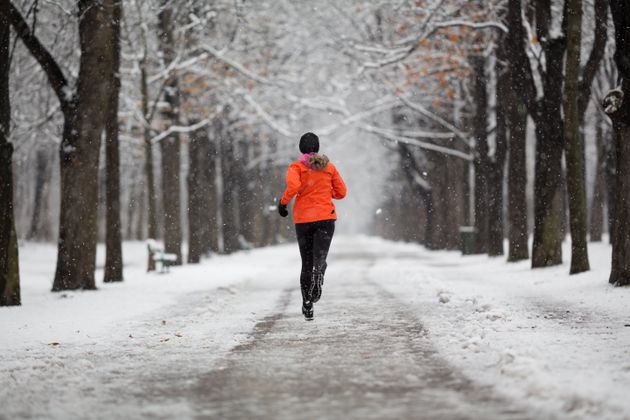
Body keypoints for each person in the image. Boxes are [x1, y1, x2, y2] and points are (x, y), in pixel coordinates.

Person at [278, 132, 347, 320]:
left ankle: (307, 305)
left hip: (304, 220)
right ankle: (320, 271)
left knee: (306, 262)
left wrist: (283, 203)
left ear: (301, 149)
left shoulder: (296, 167)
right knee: (320, 257)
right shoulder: (329, 167)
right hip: (325, 218)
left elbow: (292, 188)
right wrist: (324, 191)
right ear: (317, 148)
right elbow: (342, 192)